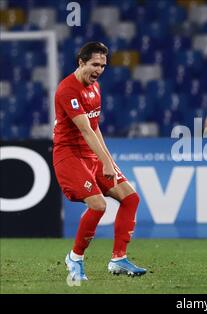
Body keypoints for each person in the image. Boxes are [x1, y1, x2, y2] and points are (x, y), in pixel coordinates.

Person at [53, 42, 146, 281]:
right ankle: (75, 258)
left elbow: (95, 128)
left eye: (103, 66)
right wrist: (105, 162)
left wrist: (108, 159)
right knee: (98, 205)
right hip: (69, 155)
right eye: (95, 64)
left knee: (130, 198)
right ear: (81, 62)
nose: (99, 70)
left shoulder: (95, 88)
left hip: (91, 154)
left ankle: (118, 259)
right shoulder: (67, 90)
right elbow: (84, 130)